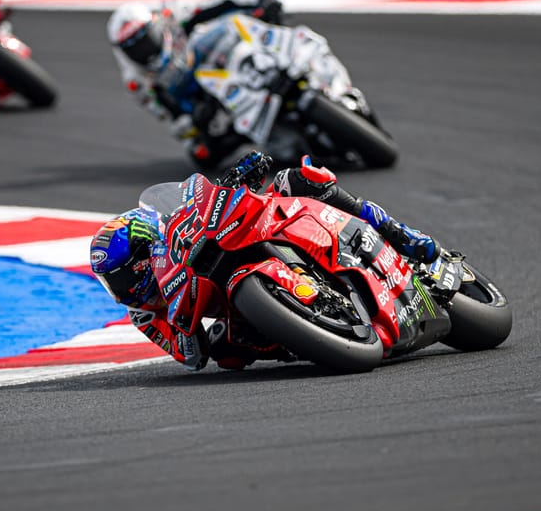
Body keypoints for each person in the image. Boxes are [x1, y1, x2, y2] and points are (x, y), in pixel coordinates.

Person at [90, 152, 441, 372]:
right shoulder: (145, 315)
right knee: (227, 352)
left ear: (147, 247)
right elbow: (191, 356)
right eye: (113, 283)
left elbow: (203, 201)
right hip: (235, 305)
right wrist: (185, 329)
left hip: (261, 229)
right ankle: (310, 334)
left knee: (299, 179)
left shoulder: (174, 234)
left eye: (126, 274)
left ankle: (400, 234)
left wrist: (236, 178)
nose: (125, 288)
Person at [106, 0, 285, 168]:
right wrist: (193, 125)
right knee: (204, 156)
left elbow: (218, 1)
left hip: (207, 55)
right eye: (135, 49)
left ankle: (281, 54)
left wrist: (259, 0)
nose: (145, 51)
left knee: (242, 24)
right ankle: (249, 130)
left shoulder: (172, 16)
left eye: (146, 39)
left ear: (155, 25)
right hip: (196, 93)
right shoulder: (137, 82)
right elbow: (171, 119)